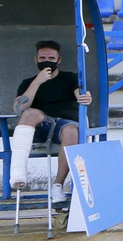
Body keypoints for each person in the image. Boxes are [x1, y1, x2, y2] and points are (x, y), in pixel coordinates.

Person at [7, 40, 94, 202]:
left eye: (51, 58)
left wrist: (85, 97)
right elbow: (18, 108)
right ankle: (18, 174)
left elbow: (80, 93)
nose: (47, 61)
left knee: (71, 131)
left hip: (65, 125)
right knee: (29, 113)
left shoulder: (70, 78)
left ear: (58, 60)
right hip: (40, 126)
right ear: (36, 60)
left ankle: (57, 186)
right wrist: (38, 82)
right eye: (42, 58)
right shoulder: (28, 83)